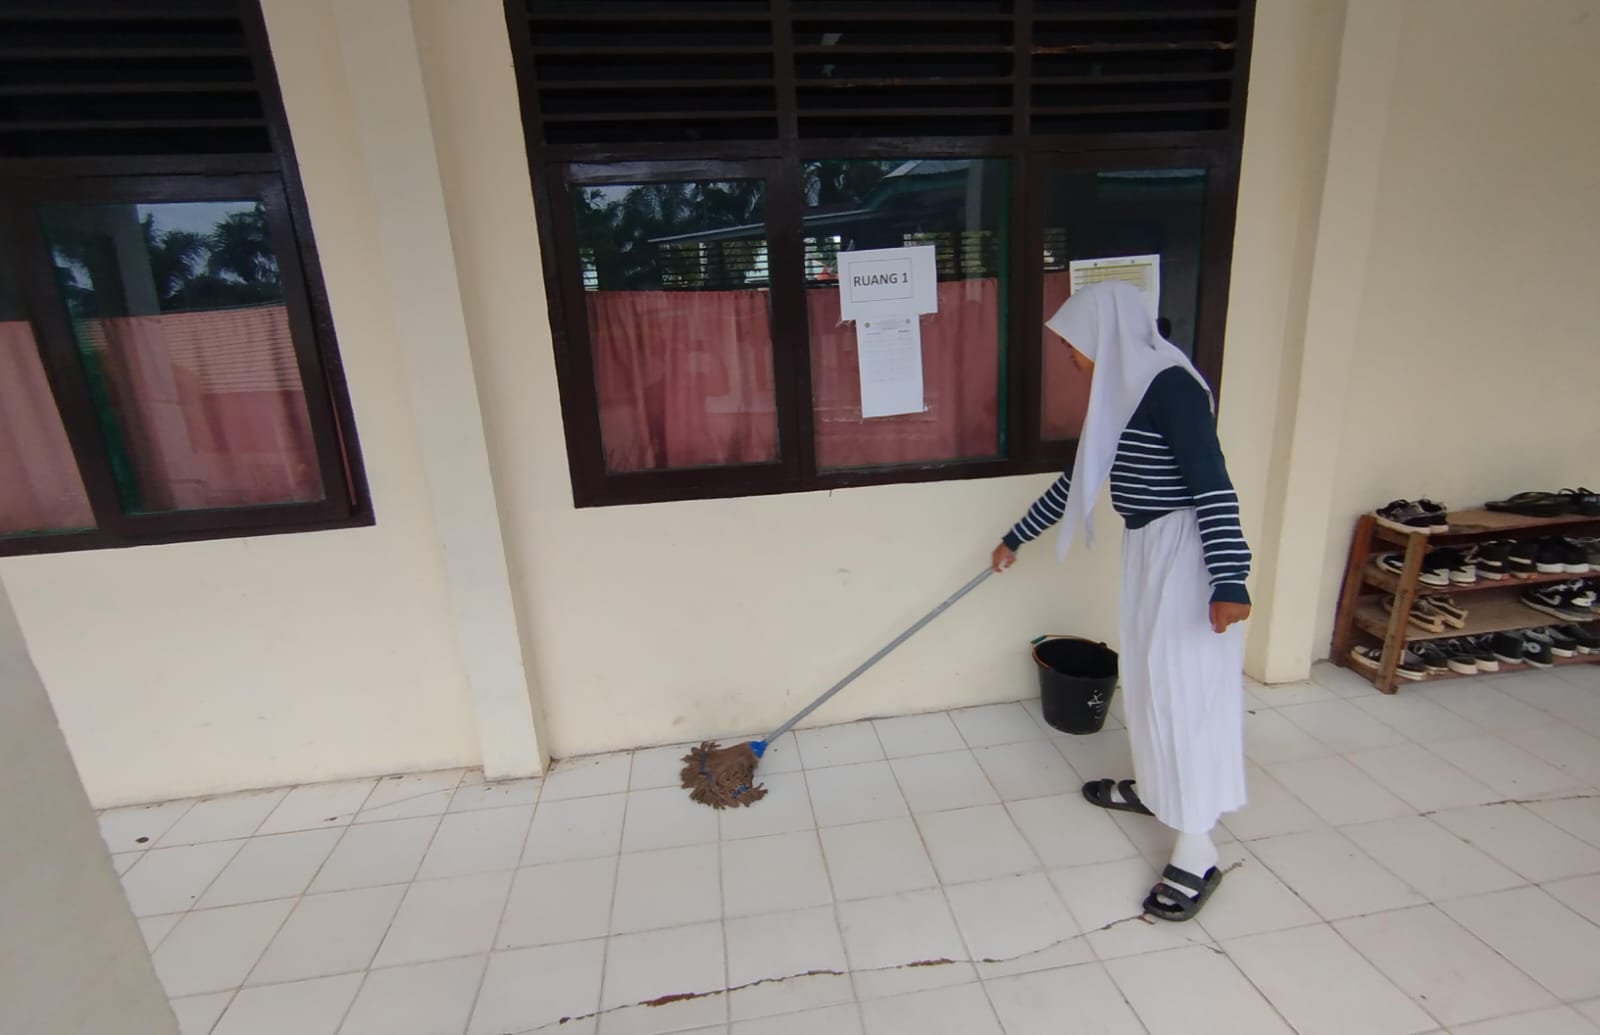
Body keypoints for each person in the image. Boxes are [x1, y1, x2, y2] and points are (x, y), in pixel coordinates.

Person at [992, 280, 1250, 921]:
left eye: (1072, 344)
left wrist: (1230, 579)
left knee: (1183, 693)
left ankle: (1197, 851)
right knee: (1149, 681)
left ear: (1104, 335)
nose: (1069, 357)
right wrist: (1015, 538)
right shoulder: (1123, 391)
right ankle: (1159, 788)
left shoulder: (1170, 388)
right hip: (1149, 549)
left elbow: (1213, 484)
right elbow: (1077, 480)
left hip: (1186, 554)